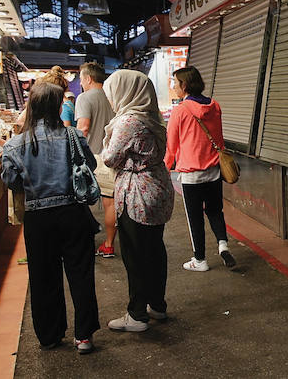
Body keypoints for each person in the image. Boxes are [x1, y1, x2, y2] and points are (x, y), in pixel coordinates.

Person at [0, 82, 100, 354]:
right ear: (58, 106)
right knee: (80, 274)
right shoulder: (73, 136)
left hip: (38, 219)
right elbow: (88, 166)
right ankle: (84, 336)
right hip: (73, 213)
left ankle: (50, 334)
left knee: (44, 277)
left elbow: (11, 181)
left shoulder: (15, 143)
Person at [102, 70, 174, 332]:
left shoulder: (128, 122)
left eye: (112, 93)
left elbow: (110, 158)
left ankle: (136, 315)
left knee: (135, 254)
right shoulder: (151, 117)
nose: (111, 99)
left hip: (137, 194)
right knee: (154, 249)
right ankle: (157, 305)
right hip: (157, 187)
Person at [164, 66, 236, 271]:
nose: (173, 86)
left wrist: (165, 169)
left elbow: (171, 146)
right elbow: (219, 139)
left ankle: (200, 260)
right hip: (214, 171)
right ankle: (223, 244)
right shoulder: (214, 106)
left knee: (195, 218)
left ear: (184, 85)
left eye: (175, 83)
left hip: (191, 175)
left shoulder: (180, 111)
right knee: (215, 210)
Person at [75, 62, 117, 257]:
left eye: (81, 79)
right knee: (110, 203)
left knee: (80, 202)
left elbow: (83, 128)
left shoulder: (84, 98)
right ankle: (109, 244)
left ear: (88, 78)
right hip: (113, 155)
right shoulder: (114, 96)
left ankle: (83, 242)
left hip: (92, 158)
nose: (81, 82)